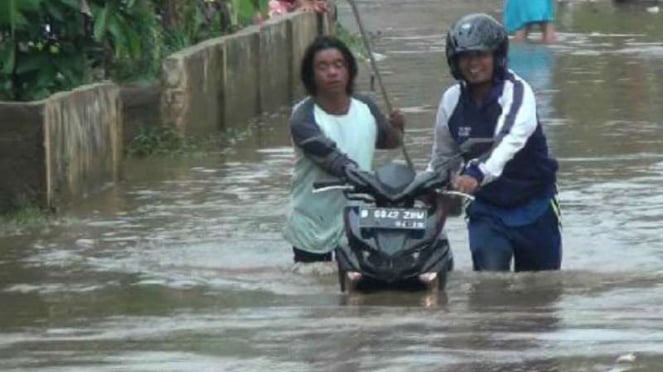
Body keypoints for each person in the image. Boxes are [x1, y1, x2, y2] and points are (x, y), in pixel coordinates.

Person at [427, 13, 562, 272]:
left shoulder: (519, 92)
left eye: (481, 55)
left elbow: (509, 140)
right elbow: (443, 158)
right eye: (466, 56)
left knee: (541, 294)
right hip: (486, 210)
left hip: (536, 206)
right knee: (488, 286)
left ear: (496, 56)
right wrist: (425, 188)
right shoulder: (451, 101)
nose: (473, 63)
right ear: (454, 60)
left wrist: (476, 173)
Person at [283, 35, 405, 263]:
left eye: (339, 65)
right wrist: (368, 180)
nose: (332, 72)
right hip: (312, 221)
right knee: (315, 288)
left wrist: (397, 129)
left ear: (349, 70)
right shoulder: (303, 117)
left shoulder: (365, 107)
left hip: (357, 216)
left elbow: (388, 141)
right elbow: (331, 159)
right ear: (311, 75)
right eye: (323, 66)